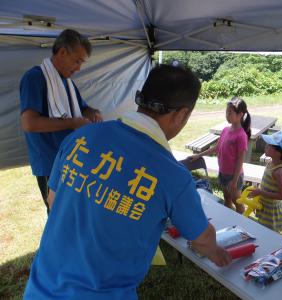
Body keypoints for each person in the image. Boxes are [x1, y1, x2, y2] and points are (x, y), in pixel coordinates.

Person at [23, 64, 231, 300]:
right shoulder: (174, 176)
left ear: (141, 98)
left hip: (40, 289)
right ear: (182, 114)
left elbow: (53, 201)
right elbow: (201, 239)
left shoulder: (81, 137)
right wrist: (217, 252)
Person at [20, 29, 102, 214]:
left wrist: (93, 112)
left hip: (72, 158)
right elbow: (29, 123)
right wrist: (73, 123)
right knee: (58, 213)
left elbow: (83, 108)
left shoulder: (67, 83)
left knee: (74, 210)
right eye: (77, 61)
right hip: (50, 162)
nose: (78, 68)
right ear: (62, 52)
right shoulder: (35, 78)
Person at [189, 97, 251, 213]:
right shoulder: (225, 130)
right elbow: (217, 148)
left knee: (237, 201)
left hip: (234, 176)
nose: (227, 115)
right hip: (223, 172)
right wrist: (199, 155)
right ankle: (228, 217)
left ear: (240, 115)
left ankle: (242, 223)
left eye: (230, 113)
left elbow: (240, 160)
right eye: (226, 112)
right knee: (227, 198)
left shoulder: (241, 136)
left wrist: (234, 180)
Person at [248, 131, 282, 232]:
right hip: (264, 205)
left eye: (269, 145)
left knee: (268, 234)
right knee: (261, 230)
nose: (266, 146)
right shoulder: (270, 163)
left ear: (279, 152)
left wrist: (260, 192)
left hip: (271, 211)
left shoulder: (279, 171)